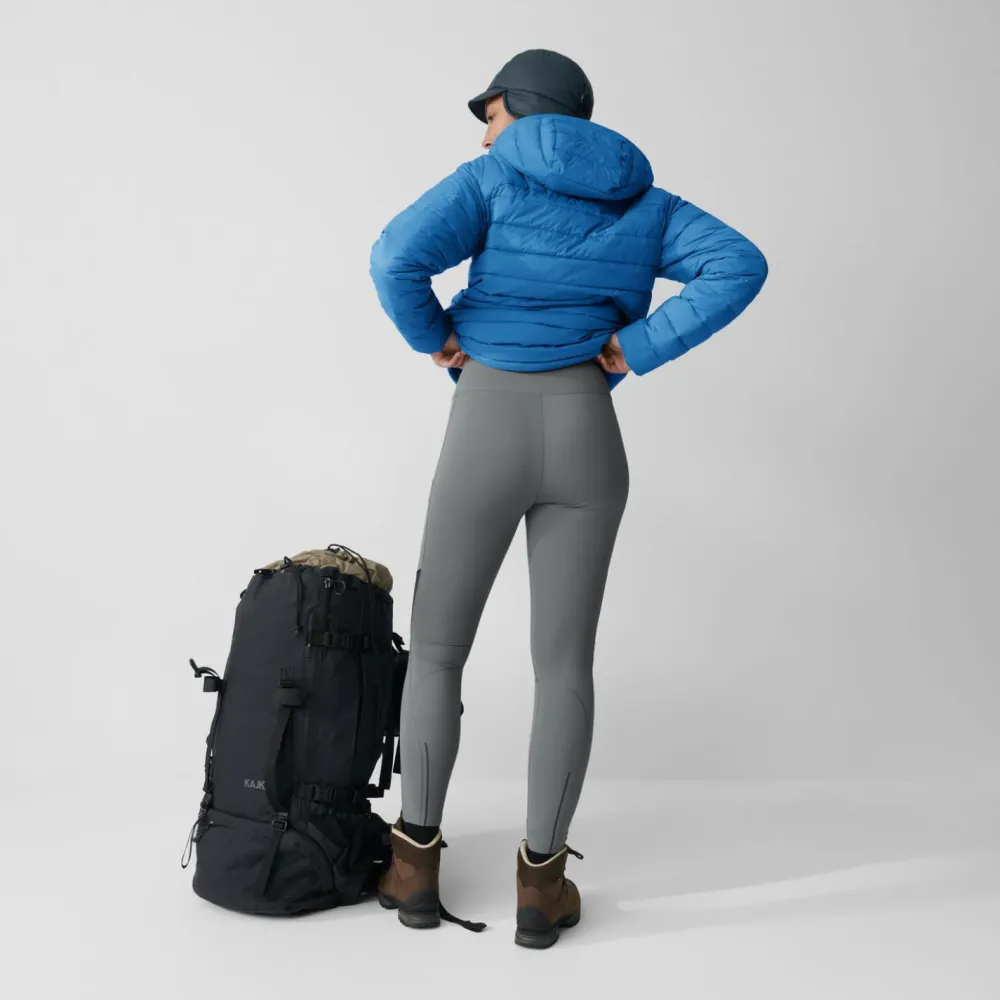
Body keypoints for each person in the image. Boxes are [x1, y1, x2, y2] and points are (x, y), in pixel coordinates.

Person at [369, 49, 768, 948]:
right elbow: (739, 264)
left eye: (491, 113)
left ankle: (413, 868)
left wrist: (436, 339)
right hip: (588, 431)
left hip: (486, 421)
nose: (485, 133)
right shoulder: (649, 203)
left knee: (438, 652)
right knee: (564, 667)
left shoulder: (489, 180)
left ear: (519, 107)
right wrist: (635, 348)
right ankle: (541, 891)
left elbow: (395, 256)